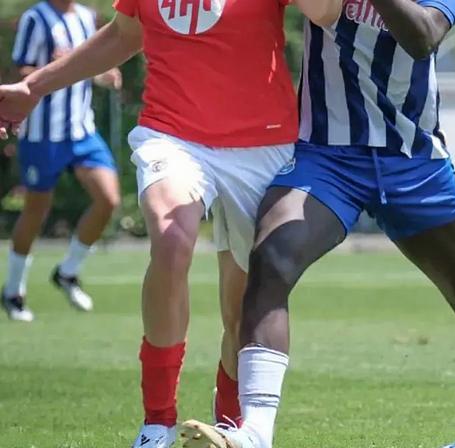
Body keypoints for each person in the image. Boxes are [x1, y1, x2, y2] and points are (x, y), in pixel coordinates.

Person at [179, 1, 455, 448]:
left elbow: (421, 38)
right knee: (271, 258)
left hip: (413, 161)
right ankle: (256, 433)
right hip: (328, 156)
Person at [0, 0, 333, 446]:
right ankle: (157, 421)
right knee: (172, 239)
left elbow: (328, 14)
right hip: (172, 135)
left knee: (245, 303)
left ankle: (234, 423)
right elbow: (124, 35)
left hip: (264, 143)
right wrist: (35, 87)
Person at [1, 0, 123, 322]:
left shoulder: (86, 17)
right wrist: (53, 65)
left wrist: (105, 74)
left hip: (82, 130)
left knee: (108, 200)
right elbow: (20, 72)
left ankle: (67, 272)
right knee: (37, 210)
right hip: (43, 133)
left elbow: (95, 62)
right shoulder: (35, 18)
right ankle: (14, 291)